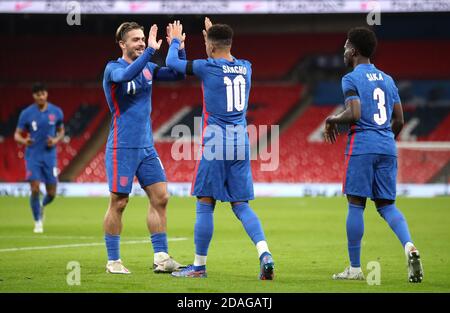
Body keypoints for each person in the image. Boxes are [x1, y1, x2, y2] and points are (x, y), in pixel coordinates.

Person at [165, 18, 274, 280]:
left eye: (206, 44)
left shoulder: (207, 67)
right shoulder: (247, 67)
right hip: (241, 141)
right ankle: (265, 253)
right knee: (241, 205)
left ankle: (198, 267)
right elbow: (225, 58)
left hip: (216, 140)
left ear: (210, 47)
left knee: (205, 203)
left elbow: (172, 64)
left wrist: (176, 41)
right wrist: (211, 38)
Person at [324, 27, 423, 283]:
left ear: (354, 51)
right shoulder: (388, 79)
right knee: (387, 206)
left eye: (346, 47)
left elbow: (355, 113)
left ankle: (355, 269)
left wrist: (332, 119)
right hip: (387, 147)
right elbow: (399, 120)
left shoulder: (351, 78)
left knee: (356, 204)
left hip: (362, 146)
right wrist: (384, 140)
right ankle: (410, 247)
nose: (344, 52)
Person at [102, 21, 186, 274]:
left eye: (142, 39)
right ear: (122, 44)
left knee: (161, 198)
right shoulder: (112, 69)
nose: (140, 43)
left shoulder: (149, 67)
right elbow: (126, 76)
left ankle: (161, 257)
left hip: (146, 147)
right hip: (122, 146)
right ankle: (113, 262)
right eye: (136, 40)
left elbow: (179, 74)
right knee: (119, 202)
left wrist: (178, 46)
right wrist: (150, 51)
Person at [14, 82, 64, 234]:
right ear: (34, 96)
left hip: (50, 157)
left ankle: (42, 205)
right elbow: (16, 135)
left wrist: (55, 140)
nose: (41, 96)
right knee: (34, 188)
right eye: (38, 94)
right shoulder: (26, 113)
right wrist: (24, 141)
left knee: (52, 193)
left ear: (46, 94)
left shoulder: (56, 112)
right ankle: (37, 222)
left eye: (43, 93)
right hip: (33, 156)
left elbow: (61, 131)